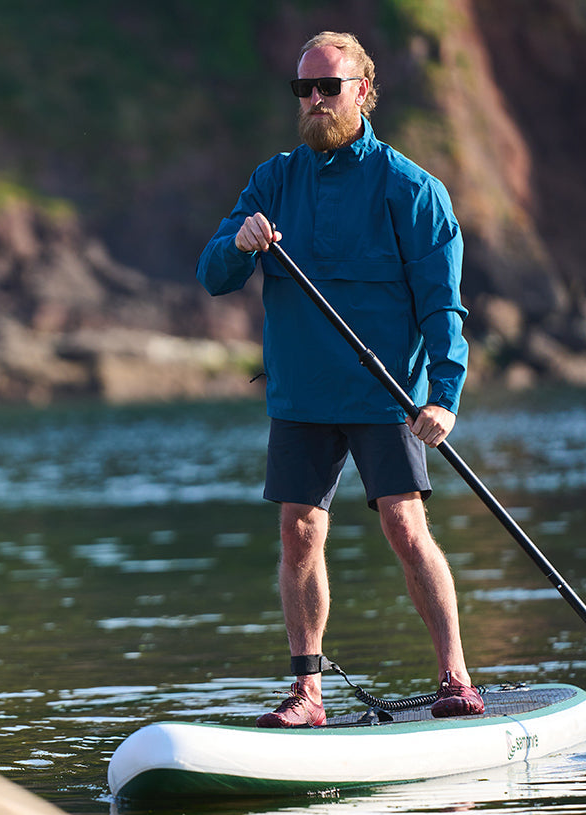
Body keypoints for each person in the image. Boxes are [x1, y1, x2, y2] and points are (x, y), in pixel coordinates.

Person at [197, 30, 483, 727]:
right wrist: (237, 244)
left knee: (405, 525)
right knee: (298, 533)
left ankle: (455, 678)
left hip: (386, 394)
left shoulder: (412, 190)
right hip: (300, 396)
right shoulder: (274, 180)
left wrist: (443, 397)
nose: (317, 100)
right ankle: (308, 693)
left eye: (330, 86)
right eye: (306, 89)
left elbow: (443, 306)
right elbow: (211, 275)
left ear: (364, 90)